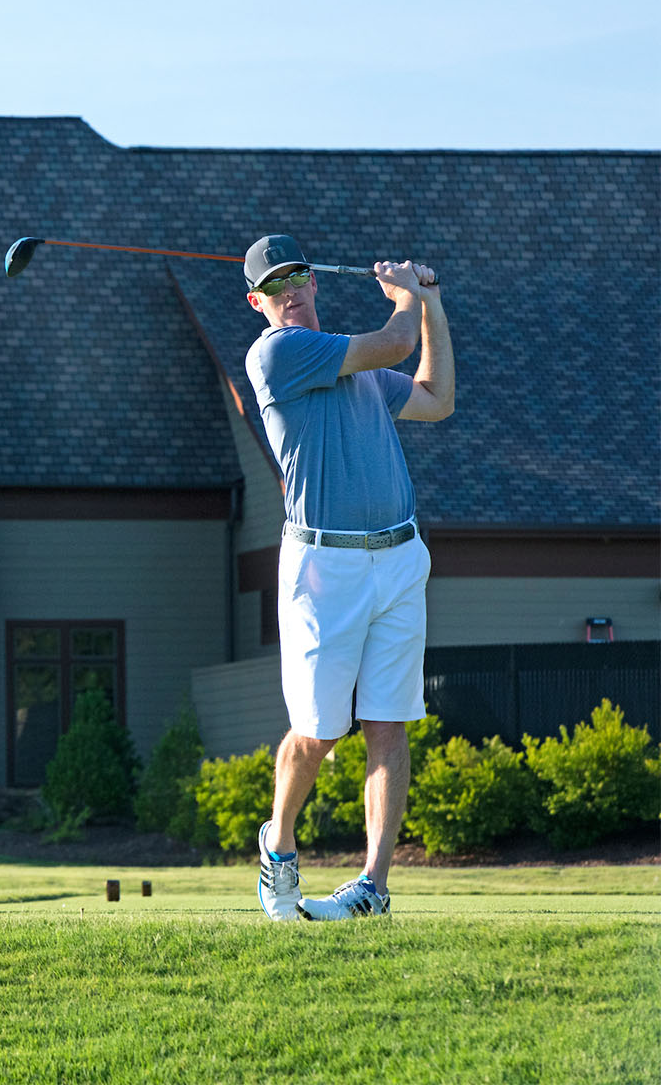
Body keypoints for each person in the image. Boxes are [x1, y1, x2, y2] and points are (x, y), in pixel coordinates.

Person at [242, 235, 454, 921]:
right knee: (318, 733)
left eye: (296, 278)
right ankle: (279, 846)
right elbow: (394, 342)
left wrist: (432, 305)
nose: (289, 293)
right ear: (257, 303)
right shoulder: (277, 353)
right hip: (323, 567)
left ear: (314, 282)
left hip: (398, 556)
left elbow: (436, 397)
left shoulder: (358, 370)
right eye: (274, 287)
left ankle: (373, 888)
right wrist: (405, 297)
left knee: (388, 725)